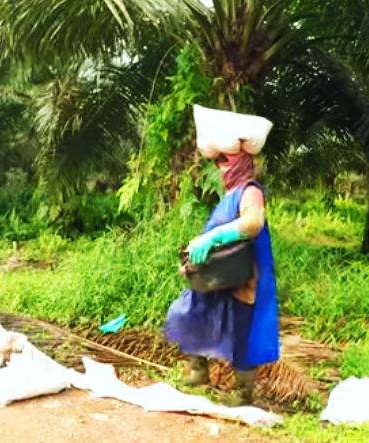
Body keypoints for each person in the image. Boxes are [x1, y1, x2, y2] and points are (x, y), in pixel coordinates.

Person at [163, 107, 280, 407]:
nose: (220, 167)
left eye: (224, 160)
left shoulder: (250, 190)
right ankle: (198, 370)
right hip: (221, 275)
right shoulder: (228, 195)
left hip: (244, 276)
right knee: (189, 311)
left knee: (243, 331)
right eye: (216, 161)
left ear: (240, 160)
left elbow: (253, 223)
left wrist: (215, 236)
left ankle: (243, 392)